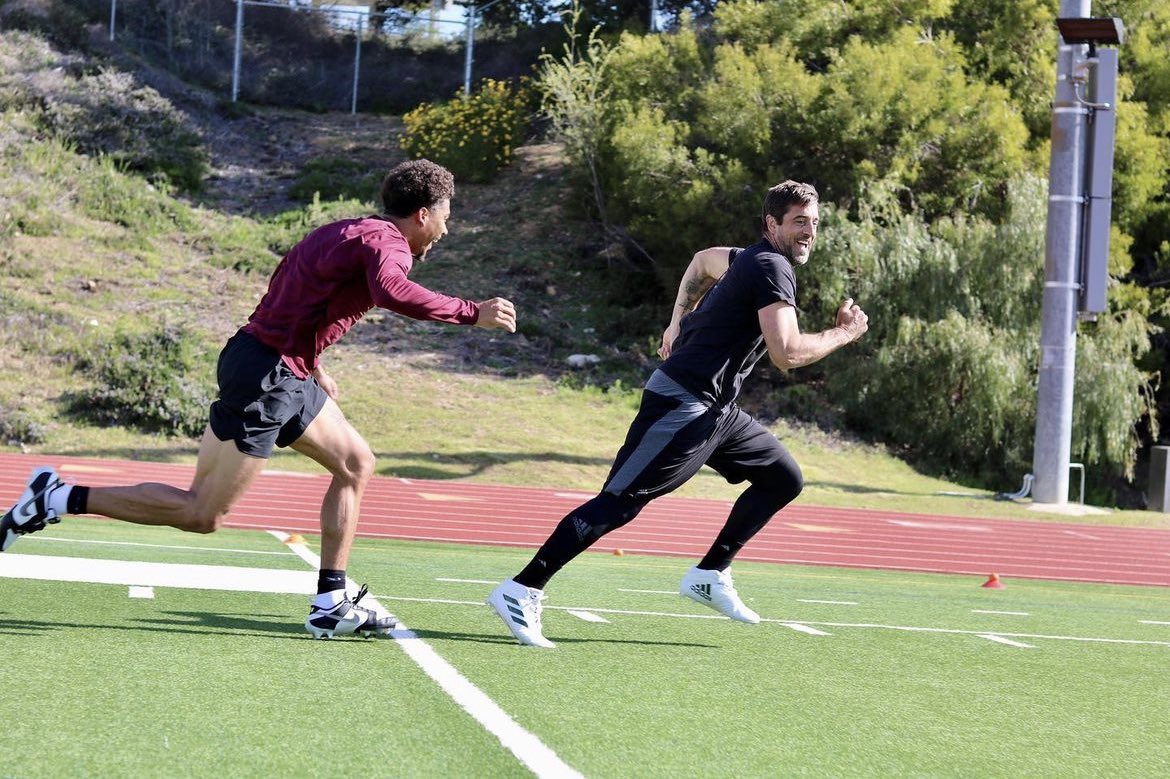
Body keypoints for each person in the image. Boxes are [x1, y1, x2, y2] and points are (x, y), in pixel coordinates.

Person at [1, 159, 517, 639]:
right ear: (422, 214)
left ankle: (331, 602)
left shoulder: (344, 230)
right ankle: (57, 498)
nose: (445, 230)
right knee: (201, 513)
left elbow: (288, 287)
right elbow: (391, 291)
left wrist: (313, 360)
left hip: (274, 365)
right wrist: (472, 312)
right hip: (268, 377)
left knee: (356, 463)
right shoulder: (391, 245)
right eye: (445, 218)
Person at [487, 180, 867, 647]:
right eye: (799, 222)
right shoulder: (771, 265)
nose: (809, 232)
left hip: (718, 410)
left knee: (782, 478)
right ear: (772, 224)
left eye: (815, 223)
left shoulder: (750, 258)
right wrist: (844, 334)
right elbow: (786, 353)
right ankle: (522, 588)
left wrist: (675, 322)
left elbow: (702, 260)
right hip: (683, 403)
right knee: (620, 502)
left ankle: (710, 574)